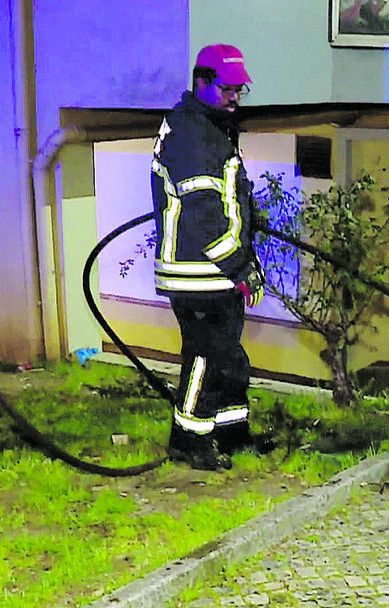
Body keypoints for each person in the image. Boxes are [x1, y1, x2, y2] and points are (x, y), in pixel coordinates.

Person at [151, 43, 265, 470]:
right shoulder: (192, 136)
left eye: (241, 89)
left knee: (229, 356)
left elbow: (228, 204)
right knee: (207, 356)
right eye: (228, 88)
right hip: (197, 272)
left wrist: (244, 261)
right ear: (202, 82)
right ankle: (188, 440)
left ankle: (233, 433)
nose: (235, 97)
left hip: (215, 271)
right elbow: (203, 218)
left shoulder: (210, 128)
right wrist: (240, 267)